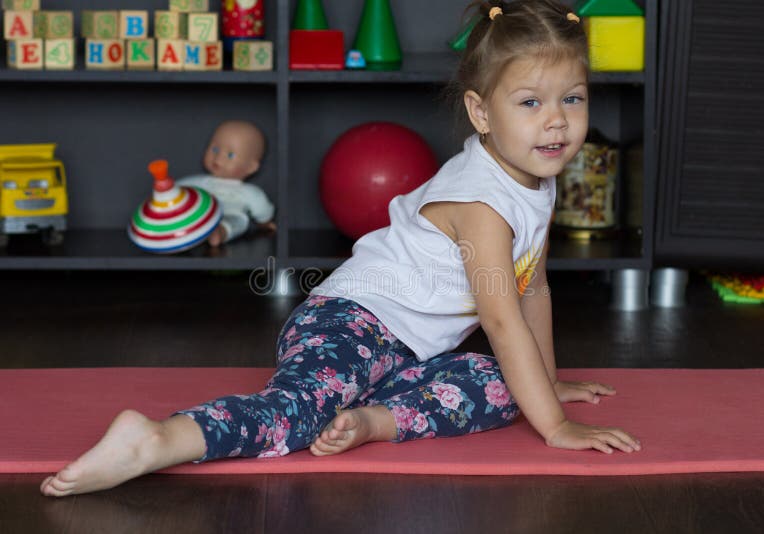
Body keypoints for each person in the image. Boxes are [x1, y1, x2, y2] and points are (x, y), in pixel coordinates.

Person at [40, 0, 641, 498]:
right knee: (299, 411)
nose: (557, 122)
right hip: (349, 324)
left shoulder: (535, 172)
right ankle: (159, 439)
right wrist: (556, 426)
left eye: (574, 98)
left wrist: (548, 380)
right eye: (531, 103)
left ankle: (372, 422)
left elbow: (531, 284)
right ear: (481, 112)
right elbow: (503, 319)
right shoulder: (482, 203)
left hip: (408, 353)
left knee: (501, 383)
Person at [178, 120, 277, 247]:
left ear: (251, 167)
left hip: (229, 215)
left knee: (238, 222)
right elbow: (180, 189)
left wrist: (265, 223)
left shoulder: (248, 191)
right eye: (215, 149)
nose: (218, 158)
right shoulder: (201, 181)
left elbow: (262, 209)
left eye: (230, 155)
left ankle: (220, 233)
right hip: (202, 215)